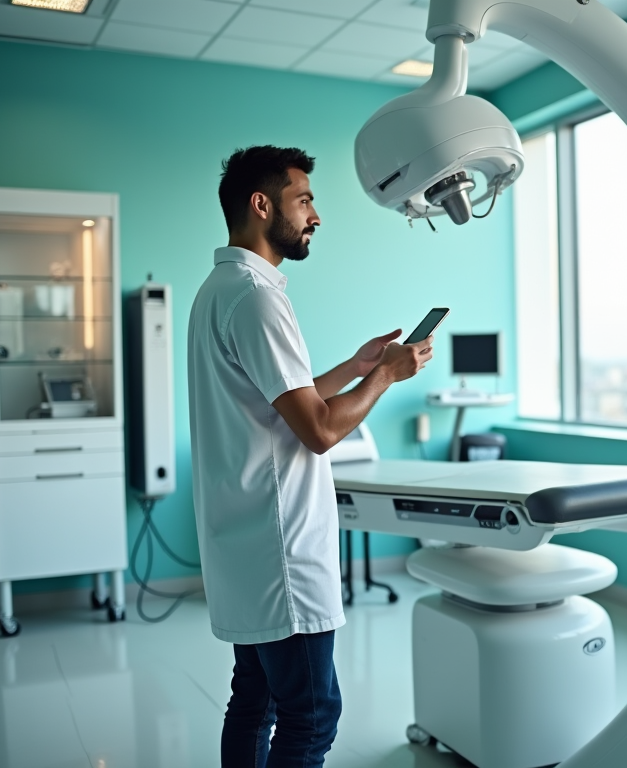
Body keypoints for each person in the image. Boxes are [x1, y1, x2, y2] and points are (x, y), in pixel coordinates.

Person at [187, 145, 433, 768]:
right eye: (304, 200)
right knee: (312, 716)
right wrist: (387, 379)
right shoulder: (257, 298)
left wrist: (357, 367)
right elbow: (318, 431)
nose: (315, 216)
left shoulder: (219, 289)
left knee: (256, 699)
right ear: (261, 204)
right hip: (281, 551)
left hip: (243, 542)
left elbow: (276, 402)